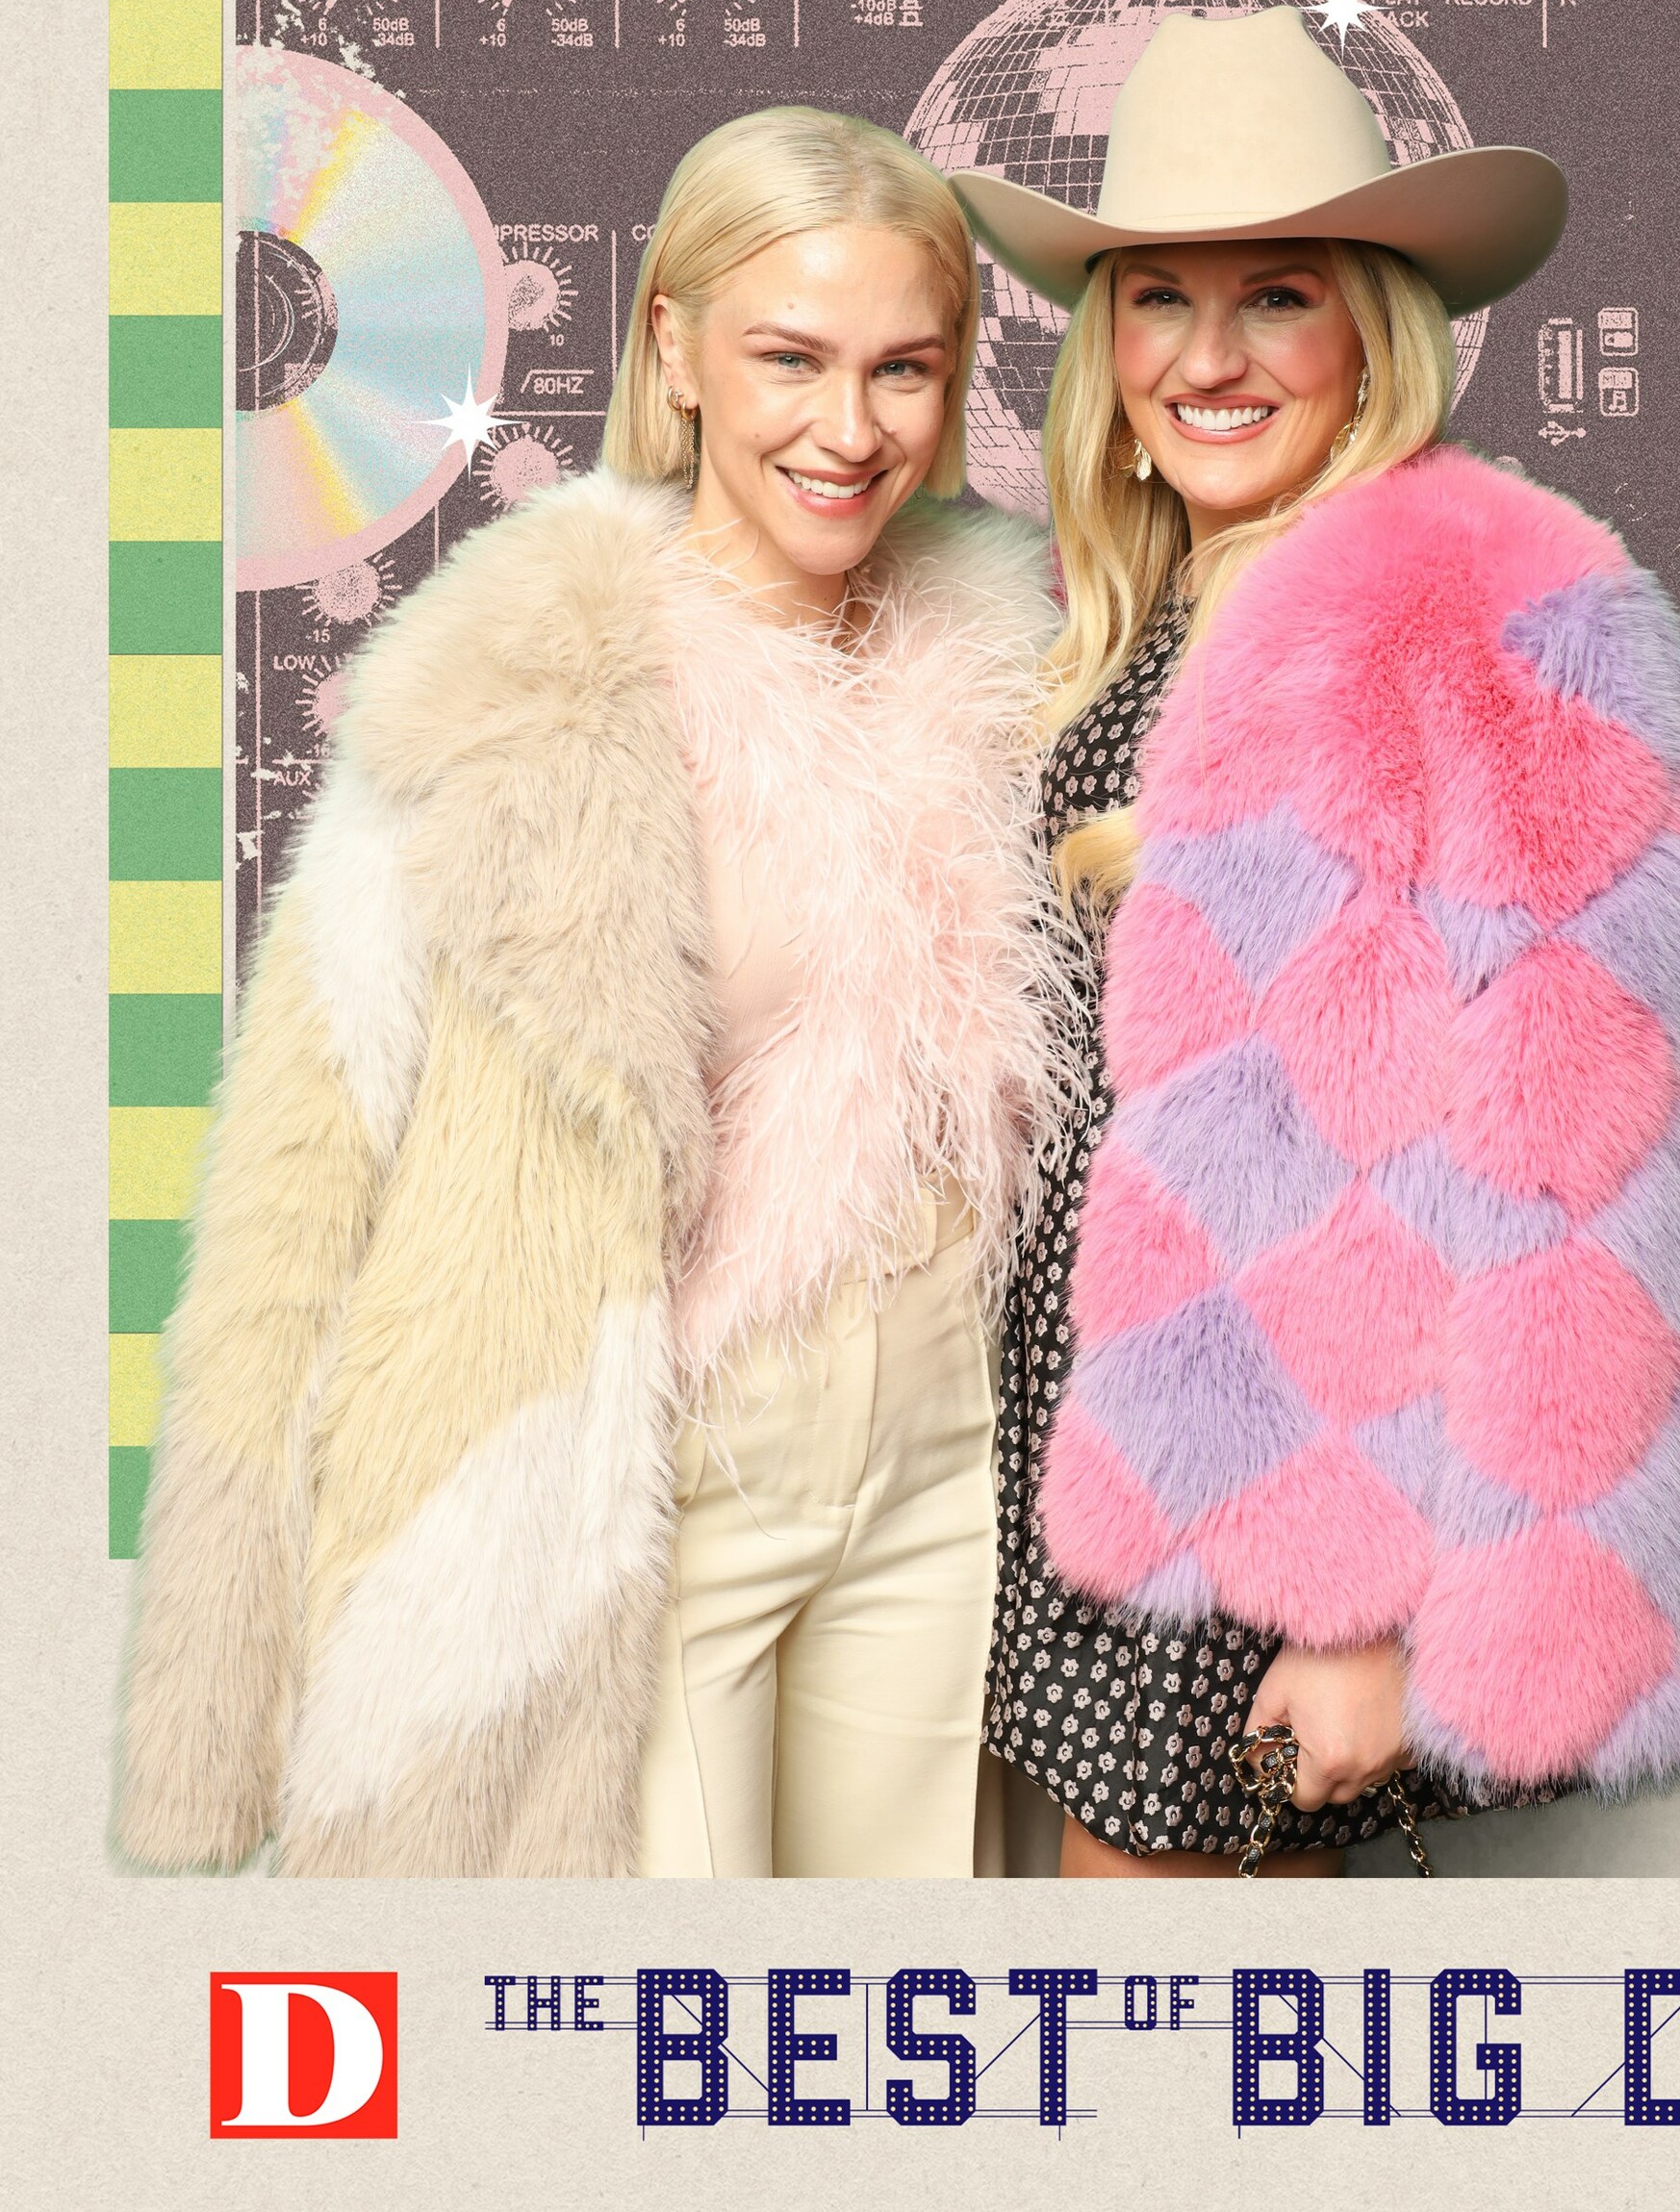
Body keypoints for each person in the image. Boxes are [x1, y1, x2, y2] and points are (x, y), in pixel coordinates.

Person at [116, 105, 1059, 1879]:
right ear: (674, 351)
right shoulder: (506, 704)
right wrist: (209, 1721)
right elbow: (289, 1208)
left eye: (904, 368)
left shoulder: (1012, 673)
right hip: (647, 1474)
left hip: (946, 1462)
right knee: (660, 2010)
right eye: (790, 357)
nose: (850, 428)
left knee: (907, 1999)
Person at [955, 5, 1680, 1877]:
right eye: (1157, 300)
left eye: (1278, 297)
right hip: (1076, 1457)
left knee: (1164, 2032)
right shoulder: (1128, 622)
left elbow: (1596, 1173)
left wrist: (1364, 1616)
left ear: (1371, 332)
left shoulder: (1511, 615)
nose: (1208, 358)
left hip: (1280, 1514)